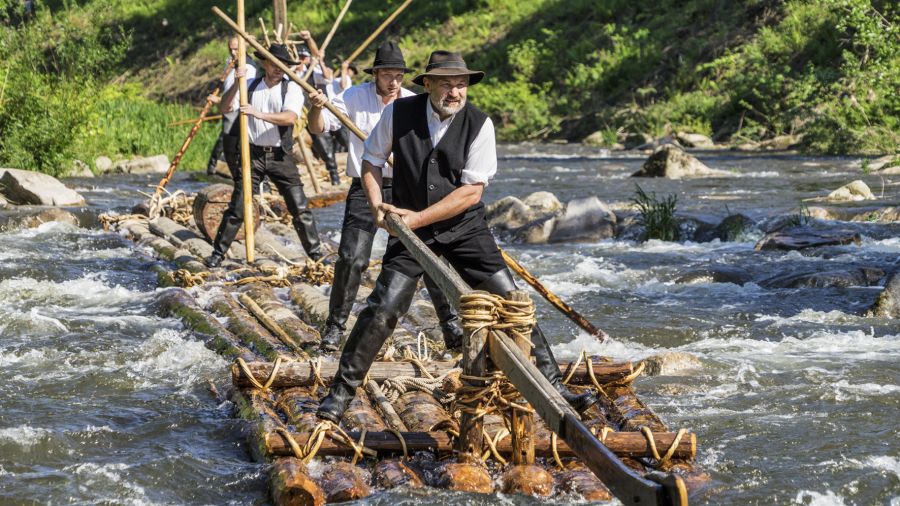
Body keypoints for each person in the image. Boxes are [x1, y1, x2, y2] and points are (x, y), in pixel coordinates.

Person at [315, 50, 597, 423]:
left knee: (512, 303)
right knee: (382, 309)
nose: (454, 92)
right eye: (446, 83)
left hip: (464, 230)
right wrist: (378, 204)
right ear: (427, 84)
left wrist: (417, 219)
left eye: (461, 84)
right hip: (409, 231)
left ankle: (553, 388)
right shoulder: (398, 114)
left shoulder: (480, 125)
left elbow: (470, 194)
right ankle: (339, 394)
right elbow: (371, 161)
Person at [307, 42, 464, 353]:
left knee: (429, 256)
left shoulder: (414, 103)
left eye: (399, 75)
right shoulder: (353, 97)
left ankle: (452, 326)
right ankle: (335, 328)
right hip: (367, 187)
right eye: (388, 75)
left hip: (408, 189)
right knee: (352, 258)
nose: (394, 81)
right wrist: (316, 107)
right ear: (376, 74)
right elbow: (319, 127)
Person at [205, 44, 323, 268]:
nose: (280, 69)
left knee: (299, 207)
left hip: (281, 155)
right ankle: (217, 255)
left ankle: (316, 255)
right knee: (238, 207)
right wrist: (235, 83)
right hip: (253, 155)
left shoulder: (292, 90)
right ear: (265, 64)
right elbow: (225, 107)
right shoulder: (249, 85)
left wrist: (257, 113)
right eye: (275, 64)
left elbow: (289, 118)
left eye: (284, 65)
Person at [206, 36, 258, 175]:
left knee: (233, 145)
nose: (233, 52)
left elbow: (244, 92)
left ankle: (241, 177)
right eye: (231, 49)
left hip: (238, 112)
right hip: (228, 109)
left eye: (236, 49)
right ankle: (216, 168)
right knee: (227, 142)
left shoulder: (248, 67)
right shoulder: (230, 63)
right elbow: (228, 88)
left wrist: (219, 101)